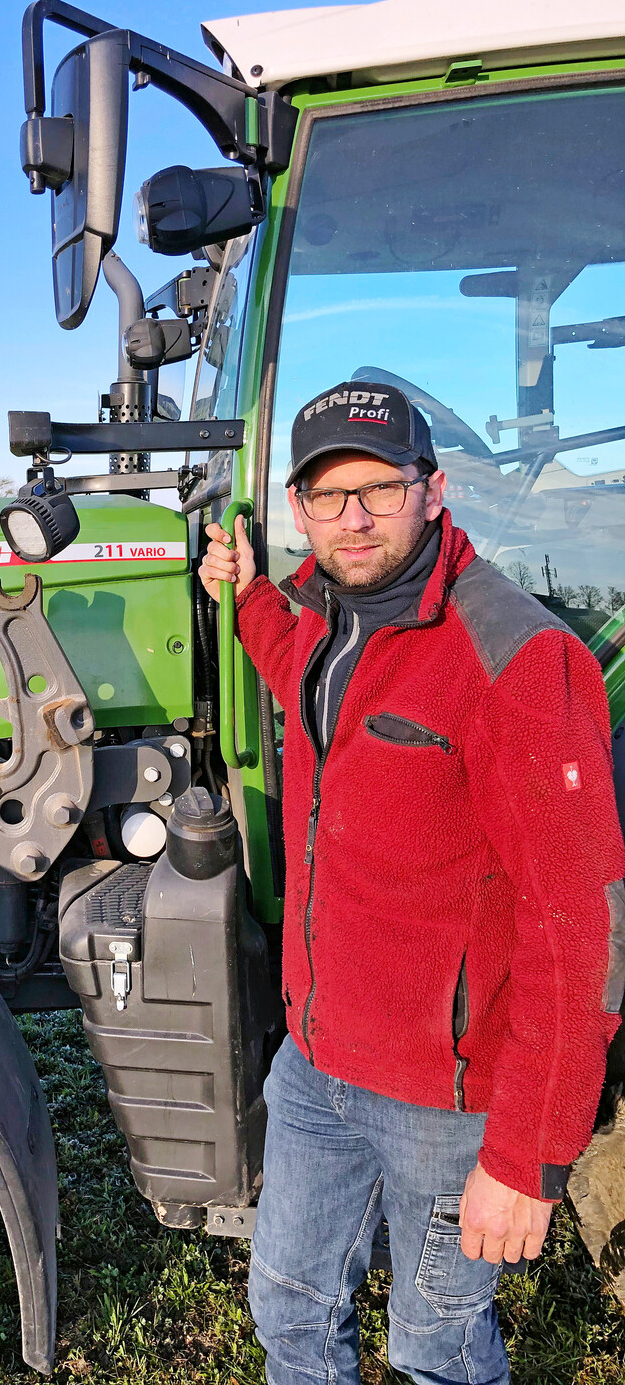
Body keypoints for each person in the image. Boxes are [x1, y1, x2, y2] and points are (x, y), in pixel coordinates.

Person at [198, 380, 625, 1385]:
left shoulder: (517, 660)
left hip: (445, 1098)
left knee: (437, 1348)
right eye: (327, 495)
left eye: (379, 489)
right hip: (317, 1064)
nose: (353, 518)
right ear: (298, 507)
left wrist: (526, 1158)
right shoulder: (328, 620)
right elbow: (296, 670)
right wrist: (249, 595)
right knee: (289, 1313)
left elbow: (579, 926)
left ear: (432, 492)